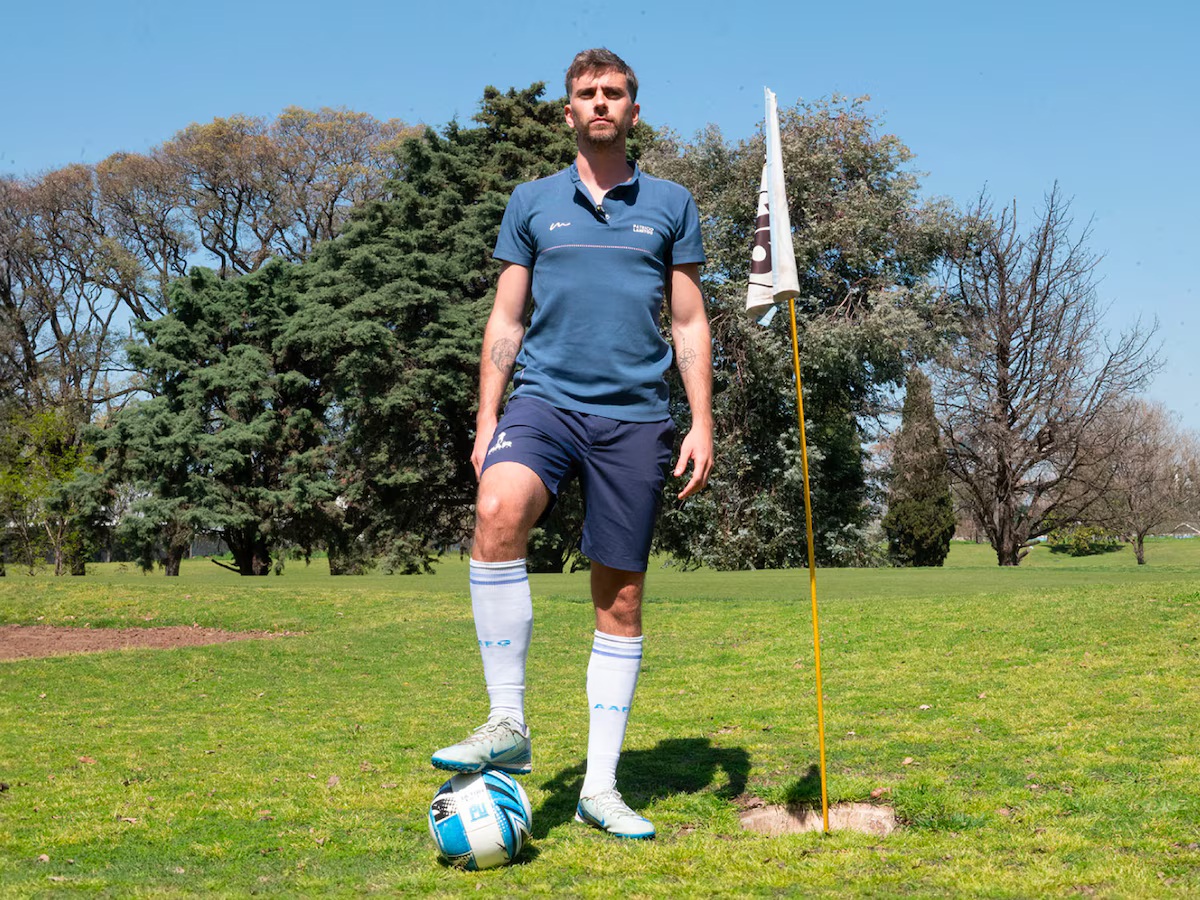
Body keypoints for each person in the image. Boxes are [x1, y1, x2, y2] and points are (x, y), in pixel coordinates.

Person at [431, 48, 713, 840]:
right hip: (544, 401)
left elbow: (689, 320)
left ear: (633, 110)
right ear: (568, 112)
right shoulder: (531, 202)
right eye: (587, 93)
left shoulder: (671, 204)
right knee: (497, 509)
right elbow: (506, 318)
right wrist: (487, 418)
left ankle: (599, 787)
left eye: (613, 93)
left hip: (636, 418)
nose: (600, 103)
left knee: (619, 599)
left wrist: (702, 421)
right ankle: (507, 722)